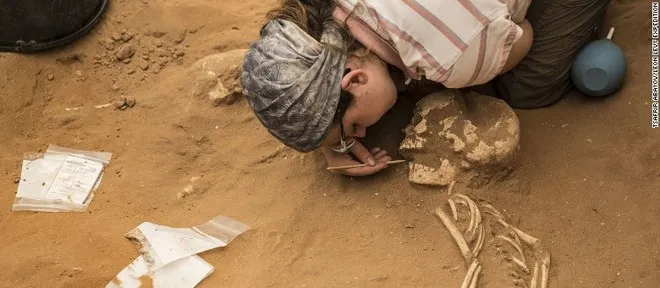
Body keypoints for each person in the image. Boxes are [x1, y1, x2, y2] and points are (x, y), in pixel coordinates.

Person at [242, 0, 610, 177]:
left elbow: (523, 35)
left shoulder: (451, 59)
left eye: (354, 126)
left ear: (354, 79)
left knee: (527, 86)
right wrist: (330, 139)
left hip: (470, 44)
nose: (363, 133)